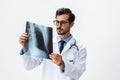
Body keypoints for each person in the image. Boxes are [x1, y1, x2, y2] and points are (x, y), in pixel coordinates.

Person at [19, 8, 87, 80]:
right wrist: (24, 47)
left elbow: (78, 73)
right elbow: (29, 66)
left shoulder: (80, 49)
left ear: (71, 24)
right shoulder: (46, 43)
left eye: (63, 22)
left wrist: (62, 64)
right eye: (57, 22)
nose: (58, 26)